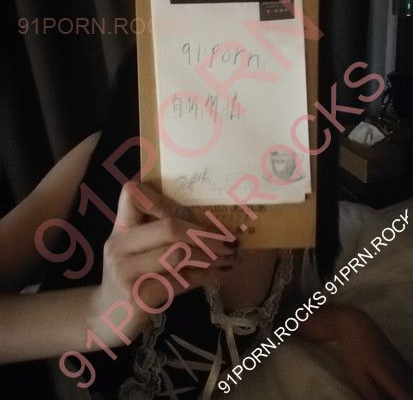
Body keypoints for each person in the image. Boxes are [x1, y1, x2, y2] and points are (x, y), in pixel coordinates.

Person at [1, 55, 412, 400]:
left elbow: (272, 309)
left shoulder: (289, 188)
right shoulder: (105, 166)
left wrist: (344, 323)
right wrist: (97, 313)